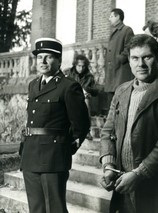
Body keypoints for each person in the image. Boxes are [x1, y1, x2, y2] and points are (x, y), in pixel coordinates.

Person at [99, 34, 158, 213]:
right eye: (135, 58)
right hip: (124, 185)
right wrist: (109, 166)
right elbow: (107, 131)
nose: (140, 64)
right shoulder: (122, 90)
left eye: (147, 57)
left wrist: (138, 174)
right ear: (129, 60)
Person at [20, 38, 90, 213]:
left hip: (53, 157)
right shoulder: (33, 85)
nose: (42, 61)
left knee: (55, 209)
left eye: (48, 57)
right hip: (30, 155)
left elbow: (81, 124)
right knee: (36, 209)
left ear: (59, 60)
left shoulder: (68, 86)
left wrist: (66, 148)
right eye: (39, 57)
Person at [105, 8, 135, 110]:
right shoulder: (114, 32)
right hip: (112, 72)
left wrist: (119, 59)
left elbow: (129, 47)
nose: (109, 19)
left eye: (111, 16)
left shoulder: (127, 30)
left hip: (121, 72)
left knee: (121, 100)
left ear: (118, 17)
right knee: (111, 102)